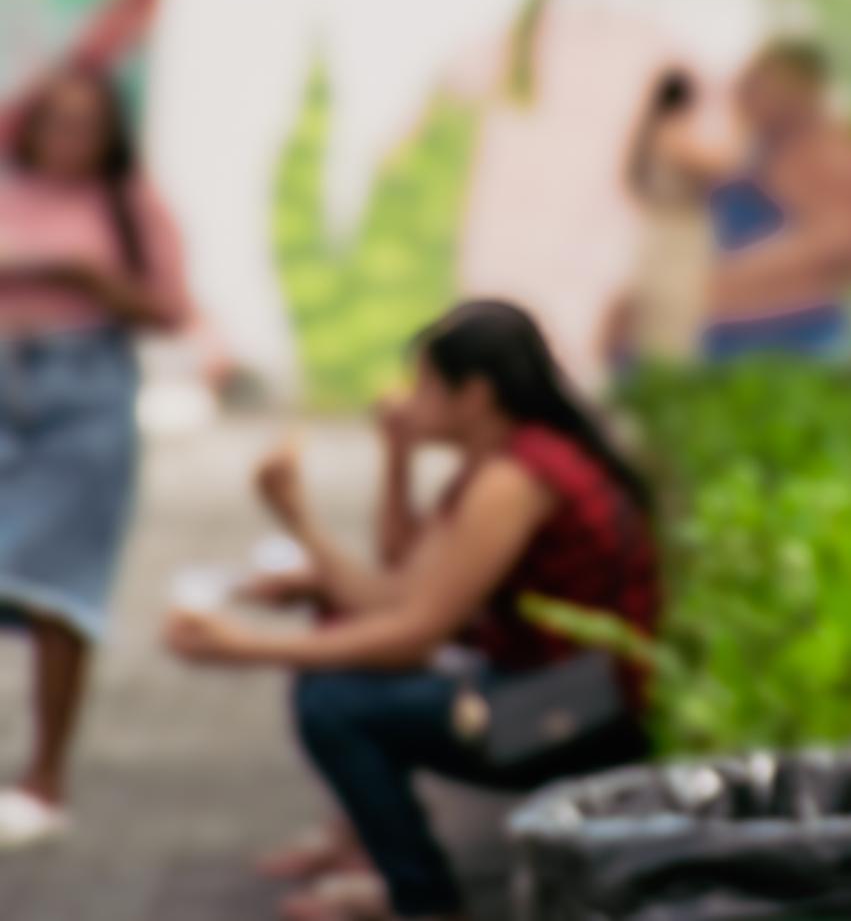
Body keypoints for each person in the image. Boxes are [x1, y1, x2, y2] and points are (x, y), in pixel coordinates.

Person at [167, 300, 660, 921]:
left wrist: (241, 648)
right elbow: (398, 584)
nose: (405, 398)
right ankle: (382, 866)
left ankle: (422, 901)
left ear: (474, 394)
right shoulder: (499, 461)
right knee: (338, 632)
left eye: (425, 383)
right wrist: (373, 471)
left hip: (574, 715)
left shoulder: (516, 478)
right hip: (551, 690)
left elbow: (415, 630)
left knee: (333, 701)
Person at [0, 64, 191, 849]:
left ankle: (46, 770)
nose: (68, 139)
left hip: (86, 389)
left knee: (57, 585)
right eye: (57, 121)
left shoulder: (130, 203)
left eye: (86, 124)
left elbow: (171, 307)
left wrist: (92, 279)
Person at [700, 37, 851, 359]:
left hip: (796, 337)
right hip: (728, 330)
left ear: (801, 90)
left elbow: (842, 241)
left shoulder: (836, 155)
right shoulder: (763, 150)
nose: (741, 92)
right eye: (746, 82)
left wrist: (714, 284)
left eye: (757, 83)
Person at [611, 67, 721, 373]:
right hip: (678, 235)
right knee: (676, 321)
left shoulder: (647, 133)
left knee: (655, 321)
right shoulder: (674, 133)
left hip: (656, 233)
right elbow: (716, 166)